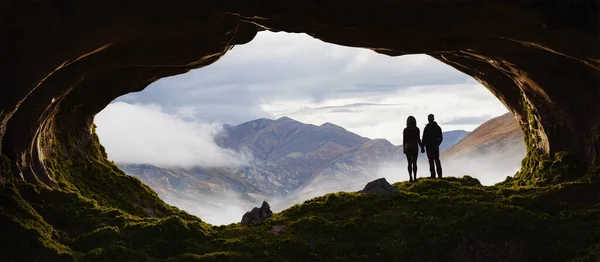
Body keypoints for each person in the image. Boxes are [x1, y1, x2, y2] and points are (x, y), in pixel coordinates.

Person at [422, 114, 443, 178]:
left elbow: (424, 138)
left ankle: (433, 175)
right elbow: (441, 138)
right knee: (437, 160)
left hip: (429, 147)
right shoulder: (437, 127)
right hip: (435, 146)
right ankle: (439, 175)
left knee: (431, 160)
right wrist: (437, 144)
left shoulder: (426, 128)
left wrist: (423, 147)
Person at [403, 116, 423, 182]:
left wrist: (404, 149)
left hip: (407, 147)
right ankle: (415, 177)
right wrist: (422, 147)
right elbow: (418, 139)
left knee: (409, 163)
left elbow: (404, 140)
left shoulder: (405, 130)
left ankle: (410, 177)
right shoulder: (416, 129)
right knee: (414, 162)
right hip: (415, 147)